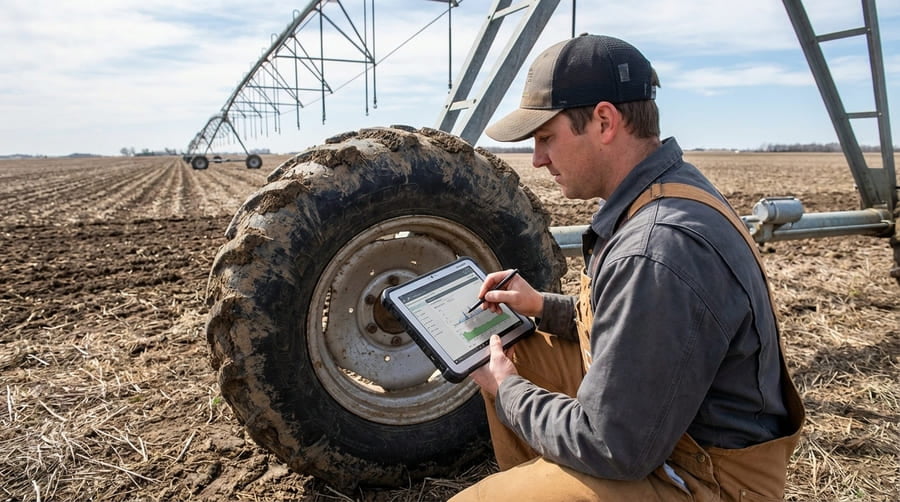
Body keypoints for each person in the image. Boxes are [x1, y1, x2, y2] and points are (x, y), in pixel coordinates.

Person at [450, 34, 805, 501]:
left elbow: (612, 444)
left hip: (709, 479)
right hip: (675, 436)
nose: (537, 160)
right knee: (519, 352)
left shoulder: (658, 245)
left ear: (603, 121)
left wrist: (510, 392)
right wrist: (544, 307)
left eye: (545, 138)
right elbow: (648, 326)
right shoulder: (667, 188)